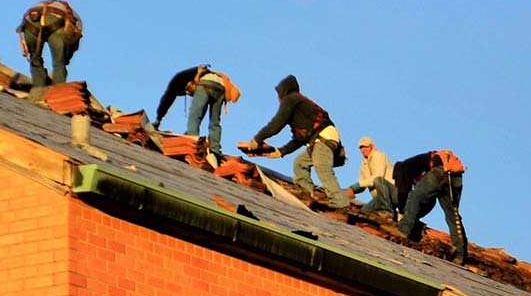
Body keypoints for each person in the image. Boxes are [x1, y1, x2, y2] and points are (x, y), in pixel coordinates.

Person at [241, 75, 348, 209]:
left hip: (322, 138)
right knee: (300, 164)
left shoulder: (291, 99)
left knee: (322, 168)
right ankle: (307, 194)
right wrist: (281, 152)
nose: (278, 99)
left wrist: (257, 139)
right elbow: (299, 139)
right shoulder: (299, 103)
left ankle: (340, 203)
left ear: (283, 91)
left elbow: (276, 124)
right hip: (320, 138)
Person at [393, 149, 469, 261]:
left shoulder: (406, 165)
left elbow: (408, 191)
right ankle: (461, 254)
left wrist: (402, 210)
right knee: (453, 215)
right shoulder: (446, 157)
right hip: (456, 175)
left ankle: (403, 230)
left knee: (414, 197)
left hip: (440, 171)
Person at [153, 65, 239, 160]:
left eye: (189, 91)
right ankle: (215, 150)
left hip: (207, 83)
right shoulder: (195, 75)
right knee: (215, 122)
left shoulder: (178, 80)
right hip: (221, 86)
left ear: (189, 83)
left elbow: (167, 100)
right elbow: (201, 114)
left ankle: (192, 144)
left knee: (194, 116)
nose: (190, 94)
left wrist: (158, 119)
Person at [17, 0, 82, 92]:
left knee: (35, 59)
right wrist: (64, 59)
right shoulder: (76, 24)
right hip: (56, 19)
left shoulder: (70, 14)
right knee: (59, 63)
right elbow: (70, 48)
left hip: (30, 19)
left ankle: (39, 90)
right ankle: (57, 93)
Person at [347, 137, 396, 216]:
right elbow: (362, 183)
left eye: (366, 147)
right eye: (361, 148)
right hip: (380, 198)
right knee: (363, 212)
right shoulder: (364, 163)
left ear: (372, 146)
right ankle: (390, 217)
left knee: (378, 180)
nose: (363, 150)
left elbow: (378, 176)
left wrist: (355, 187)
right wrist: (350, 191)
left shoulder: (379, 156)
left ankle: (388, 211)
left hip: (392, 193)